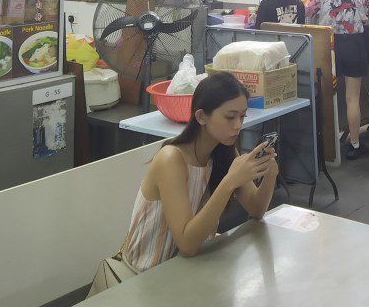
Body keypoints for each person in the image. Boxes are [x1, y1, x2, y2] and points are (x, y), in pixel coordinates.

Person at [109, 74, 277, 281]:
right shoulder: (171, 159)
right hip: (146, 275)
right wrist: (230, 182)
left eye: (242, 116)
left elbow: (256, 210)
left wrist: (270, 173)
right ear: (201, 117)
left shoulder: (225, 152)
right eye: (230, 117)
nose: (237, 125)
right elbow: (187, 244)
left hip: (190, 269)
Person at [307, 0, 369, 160]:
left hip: (327, 44)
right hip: (354, 44)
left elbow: (307, 10)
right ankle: (354, 144)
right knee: (352, 98)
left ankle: (326, 148)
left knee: (326, 96)